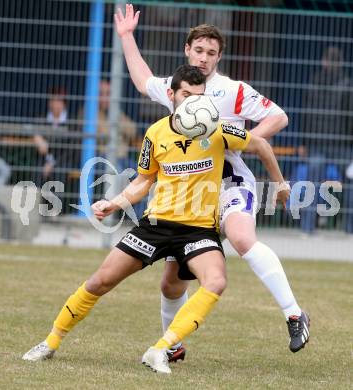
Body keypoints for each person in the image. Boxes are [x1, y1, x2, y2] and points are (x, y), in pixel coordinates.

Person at [22, 65, 290, 374]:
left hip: (198, 231)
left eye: (199, 96)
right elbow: (143, 180)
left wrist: (280, 185)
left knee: (216, 281)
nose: (193, 103)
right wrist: (115, 202)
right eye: (187, 95)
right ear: (173, 95)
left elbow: (261, 146)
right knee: (100, 281)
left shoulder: (216, 129)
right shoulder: (156, 132)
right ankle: (50, 341)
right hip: (157, 225)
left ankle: (160, 349)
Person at [114, 4, 310, 359]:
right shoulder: (179, 85)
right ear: (188, 50)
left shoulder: (231, 90)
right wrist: (127, 36)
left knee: (241, 238)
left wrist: (239, 146)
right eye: (199, 50)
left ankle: (294, 314)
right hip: (191, 197)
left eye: (212, 53)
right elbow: (143, 80)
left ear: (219, 57)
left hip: (231, 184)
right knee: (171, 282)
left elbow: (278, 116)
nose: (204, 58)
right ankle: (172, 347)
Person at [296, 46, 353, 234]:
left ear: (324, 61)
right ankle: (349, 228)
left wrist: (303, 142)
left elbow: (306, 115)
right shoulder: (347, 84)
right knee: (350, 182)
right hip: (342, 143)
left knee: (312, 183)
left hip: (316, 143)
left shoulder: (313, 82)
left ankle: (307, 228)